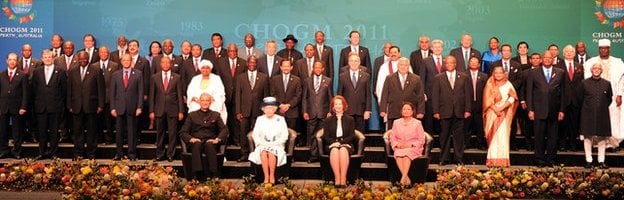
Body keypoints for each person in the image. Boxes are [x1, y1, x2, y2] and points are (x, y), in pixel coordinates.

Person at [526, 51, 566, 167]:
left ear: (553, 59)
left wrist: (562, 110)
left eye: (550, 58)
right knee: (538, 137)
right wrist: (530, 110)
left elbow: (563, 93)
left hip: (554, 111)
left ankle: (551, 159)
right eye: (545, 58)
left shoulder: (560, 72)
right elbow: (529, 92)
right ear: (541, 59)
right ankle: (539, 159)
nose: (548, 59)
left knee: (553, 137)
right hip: (538, 110)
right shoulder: (533, 72)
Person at [432, 55, 471, 165]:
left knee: (459, 137)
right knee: (444, 137)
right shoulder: (438, 77)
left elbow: (468, 95)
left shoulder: (464, 77)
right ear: (445, 64)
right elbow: (435, 96)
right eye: (447, 63)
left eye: (451, 63)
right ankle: (444, 158)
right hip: (444, 112)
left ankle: (458, 159)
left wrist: (467, 110)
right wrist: (436, 111)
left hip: (459, 112)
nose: (449, 65)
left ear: (455, 64)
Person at [585, 39, 624, 148]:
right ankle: (597, 142)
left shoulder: (618, 62)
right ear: (599, 49)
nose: (603, 51)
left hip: (613, 94)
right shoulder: (591, 62)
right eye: (601, 49)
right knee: (597, 118)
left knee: (612, 118)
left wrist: (619, 95)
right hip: (596, 95)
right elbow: (587, 81)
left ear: (609, 49)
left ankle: (612, 143)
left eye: (605, 48)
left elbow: (622, 80)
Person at [67, 51, 105, 159]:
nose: (82, 60)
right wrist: (69, 105)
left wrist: (101, 105)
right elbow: (69, 89)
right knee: (77, 131)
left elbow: (100, 89)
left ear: (88, 58)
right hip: (76, 106)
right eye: (80, 59)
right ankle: (78, 153)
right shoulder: (72, 70)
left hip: (92, 106)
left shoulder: (96, 70)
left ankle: (91, 153)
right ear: (77, 59)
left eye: (84, 58)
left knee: (92, 131)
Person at [179, 93, 228, 179]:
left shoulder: (215, 115)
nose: (205, 102)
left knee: (209, 145)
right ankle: (196, 175)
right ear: (199, 102)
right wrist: (191, 139)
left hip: (210, 141)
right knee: (197, 145)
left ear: (210, 102)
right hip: (196, 141)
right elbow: (183, 132)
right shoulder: (192, 115)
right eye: (203, 100)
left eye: (207, 100)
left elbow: (224, 130)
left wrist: (217, 139)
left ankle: (214, 175)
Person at [149, 56, 185, 162]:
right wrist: (151, 110)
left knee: (173, 133)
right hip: (159, 109)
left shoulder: (177, 77)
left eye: (167, 62)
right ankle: (160, 154)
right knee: (160, 133)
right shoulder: (154, 77)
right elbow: (152, 96)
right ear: (160, 64)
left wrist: (181, 111)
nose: (165, 64)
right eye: (163, 63)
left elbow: (179, 95)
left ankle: (170, 154)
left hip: (173, 109)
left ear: (171, 64)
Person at [32, 50, 66, 160]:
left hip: (55, 106)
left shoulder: (60, 71)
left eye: (49, 57)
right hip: (41, 107)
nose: (47, 59)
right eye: (45, 57)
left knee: (54, 132)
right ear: (42, 58)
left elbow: (64, 90)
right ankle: (42, 152)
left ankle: (53, 153)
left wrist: (60, 105)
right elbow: (34, 89)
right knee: (41, 131)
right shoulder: (37, 71)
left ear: (53, 58)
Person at [234, 55, 269, 162]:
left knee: (258, 134)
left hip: (258, 112)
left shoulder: (264, 77)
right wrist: (238, 111)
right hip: (244, 111)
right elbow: (238, 95)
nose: (252, 64)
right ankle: (244, 154)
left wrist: (265, 111)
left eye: (254, 62)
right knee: (243, 133)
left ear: (257, 64)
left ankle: (257, 154)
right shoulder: (240, 77)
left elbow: (266, 96)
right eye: (250, 62)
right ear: (247, 63)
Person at [248, 97, 289, 184]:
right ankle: (266, 177)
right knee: (263, 152)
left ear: (275, 109)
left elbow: (285, 135)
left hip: (277, 145)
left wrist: (275, 143)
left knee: (271, 153)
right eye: (267, 108)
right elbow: (255, 134)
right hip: (262, 144)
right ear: (263, 110)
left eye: (271, 108)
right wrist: (262, 143)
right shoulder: (260, 119)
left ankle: (272, 176)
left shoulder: (281, 119)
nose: (269, 111)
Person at [483, 65, 518, 167]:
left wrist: (501, 108)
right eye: (496, 73)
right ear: (493, 74)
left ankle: (503, 161)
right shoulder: (489, 84)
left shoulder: (508, 84)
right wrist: (495, 109)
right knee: (492, 136)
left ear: (504, 74)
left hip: (505, 113)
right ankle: (492, 160)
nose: (498, 75)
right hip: (492, 112)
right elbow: (487, 101)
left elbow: (512, 98)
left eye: (500, 72)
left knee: (503, 136)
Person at [110, 54, 144, 161]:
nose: (126, 62)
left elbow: (140, 92)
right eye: (124, 60)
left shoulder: (138, 74)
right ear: (121, 61)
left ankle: (132, 153)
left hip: (132, 107)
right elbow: (112, 93)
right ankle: (119, 153)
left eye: (128, 60)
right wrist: (112, 108)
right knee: (119, 132)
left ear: (131, 61)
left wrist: (139, 107)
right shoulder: (116, 74)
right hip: (119, 107)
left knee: (131, 132)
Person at [580, 63, 612, 169]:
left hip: (602, 114)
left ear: (601, 71)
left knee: (602, 138)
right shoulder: (584, 83)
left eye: (599, 68)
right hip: (587, 114)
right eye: (594, 68)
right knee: (587, 137)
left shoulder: (607, 83)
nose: (596, 70)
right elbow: (579, 99)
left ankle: (601, 160)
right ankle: (588, 160)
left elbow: (609, 99)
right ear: (591, 70)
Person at [492, 44, 524, 150]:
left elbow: (519, 80)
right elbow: (491, 80)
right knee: (499, 122)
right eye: (504, 51)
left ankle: (512, 144)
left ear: (510, 53)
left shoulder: (517, 65)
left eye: (508, 51)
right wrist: (501, 90)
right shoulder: (495, 64)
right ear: (501, 53)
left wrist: (508, 89)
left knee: (512, 121)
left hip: (511, 98)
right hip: (498, 98)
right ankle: (498, 144)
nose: (506, 52)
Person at [380, 57, 425, 129]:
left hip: (410, 113)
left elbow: (420, 96)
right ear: (397, 66)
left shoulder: (416, 78)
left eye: (405, 65)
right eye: (401, 65)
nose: (403, 67)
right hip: (394, 112)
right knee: (393, 135)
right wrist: (383, 110)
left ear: (409, 66)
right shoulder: (389, 78)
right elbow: (384, 94)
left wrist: (421, 111)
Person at [302, 61, 333, 163]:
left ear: (323, 69)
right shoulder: (307, 81)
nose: (318, 69)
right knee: (312, 136)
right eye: (316, 67)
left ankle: (322, 156)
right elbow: (305, 98)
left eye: (320, 67)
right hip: (311, 113)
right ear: (313, 68)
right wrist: (305, 111)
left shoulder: (328, 81)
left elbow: (330, 98)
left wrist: (330, 111)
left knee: (322, 135)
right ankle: (313, 156)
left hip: (323, 113)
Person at [389, 102, 426, 185]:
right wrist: (398, 145)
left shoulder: (417, 123)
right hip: (400, 146)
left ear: (412, 111)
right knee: (398, 154)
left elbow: (421, 139)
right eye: (404, 109)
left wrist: (411, 145)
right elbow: (392, 137)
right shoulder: (396, 122)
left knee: (406, 155)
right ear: (401, 111)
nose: (406, 111)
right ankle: (407, 178)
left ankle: (402, 180)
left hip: (413, 147)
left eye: (408, 109)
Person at [323, 96, 356, 187]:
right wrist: (334, 143)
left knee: (342, 150)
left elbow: (352, 136)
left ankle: (343, 178)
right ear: (333, 106)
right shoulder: (328, 120)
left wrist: (341, 143)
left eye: (340, 104)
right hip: (332, 143)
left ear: (344, 105)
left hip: (346, 143)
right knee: (334, 150)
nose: (338, 106)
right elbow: (326, 136)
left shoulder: (350, 119)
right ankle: (337, 178)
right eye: (336, 104)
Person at [555, 45, 583, 152]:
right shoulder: (557, 66)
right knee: (562, 124)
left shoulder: (579, 66)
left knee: (574, 123)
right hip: (562, 99)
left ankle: (572, 144)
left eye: (571, 51)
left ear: (574, 53)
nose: (569, 53)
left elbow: (582, 83)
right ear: (563, 53)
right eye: (567, 51)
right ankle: (562, 144)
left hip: (576, 100)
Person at [0, 53, 28, 159]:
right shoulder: (1, 74)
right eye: (10, 59)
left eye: (14, 60)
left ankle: (16, 151)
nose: (12, 61)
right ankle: (3, 150)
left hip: (17, 107)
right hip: (3, 106)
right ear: (7, 60)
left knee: (17, 131)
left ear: (17, 61)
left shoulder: (22, 75)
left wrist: (23, 107)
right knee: (3, 130)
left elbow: (26, 93)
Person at [338, 54, 372, 133]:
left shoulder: (366, 76)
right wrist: (340, 109)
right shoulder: (342, 76)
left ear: (359, 62)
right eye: (351, 61)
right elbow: (340, 94)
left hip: (361, 111)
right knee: (347, 133)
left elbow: (368, 95)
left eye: (356, 61)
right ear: (348, 62)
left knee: (360, 135)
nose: (354, 63)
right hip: (347, 111)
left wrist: (367, 110)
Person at [93, 46, 119, 144]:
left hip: (109, 97)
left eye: (105, 52)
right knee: (98, 121)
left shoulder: (115, 65)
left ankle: (109, 139)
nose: (103, 54)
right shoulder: (94, 66)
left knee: (109, 121)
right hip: (97, 97)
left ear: (108, 54)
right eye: (101, 52)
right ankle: (99, 138)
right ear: (99, 54)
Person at [420, 39, 445, 135]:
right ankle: (430, 144)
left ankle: (441, 144)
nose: (437, 49)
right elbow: (421, 78)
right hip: (429, 95)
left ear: (442, 48)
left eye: (439, 47)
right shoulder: (425, 61)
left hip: (443, 96)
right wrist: (423, 93)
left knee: (442, 121)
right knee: (429, 121)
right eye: (435, 47)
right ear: (431, 48)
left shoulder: (446, 60)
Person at [463, 57, 488, 150]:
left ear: (479, 64)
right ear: (468, 64)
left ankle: (480, 144)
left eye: (475, 62)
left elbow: (487, 91)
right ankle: (466, 143)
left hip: (480, 104)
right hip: (467, 105)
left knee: (480, 126)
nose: (473, 64)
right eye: (471, 62)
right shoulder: (463, 75)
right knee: (466, 126)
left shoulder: (484, 76)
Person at [270, 60, 302, 129]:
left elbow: (298, 95)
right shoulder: (275, 79)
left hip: (292, 112)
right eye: (284, 66)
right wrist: (280, 105)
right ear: (281, 67)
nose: (286, 68)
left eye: (288, 66)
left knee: (291, 135)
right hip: (278, 111)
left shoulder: (297, 80)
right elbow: (273, 94)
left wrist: (288, 105)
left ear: (291, 67)